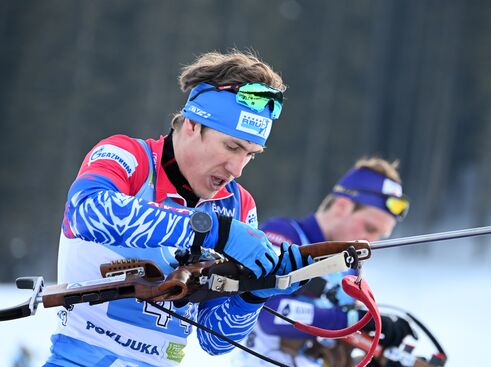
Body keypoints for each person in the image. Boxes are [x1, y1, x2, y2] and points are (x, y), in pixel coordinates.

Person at [44, 50, 310, 367]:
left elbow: (214, 339)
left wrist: (257, 291)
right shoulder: (129, 157)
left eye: (251, 154)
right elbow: (88, 212)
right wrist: (211, 230)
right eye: (232, 146)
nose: (237, 168)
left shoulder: (239, 206)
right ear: (193, 125)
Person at [233, 157, 415, 367]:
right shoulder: (283, 236)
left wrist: (371, 355)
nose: (371, 242)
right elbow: (270, 311)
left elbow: (329, 342)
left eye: (380, 235)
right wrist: (356, 319)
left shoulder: (349, 265)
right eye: (369, 228)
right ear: (341, 206)